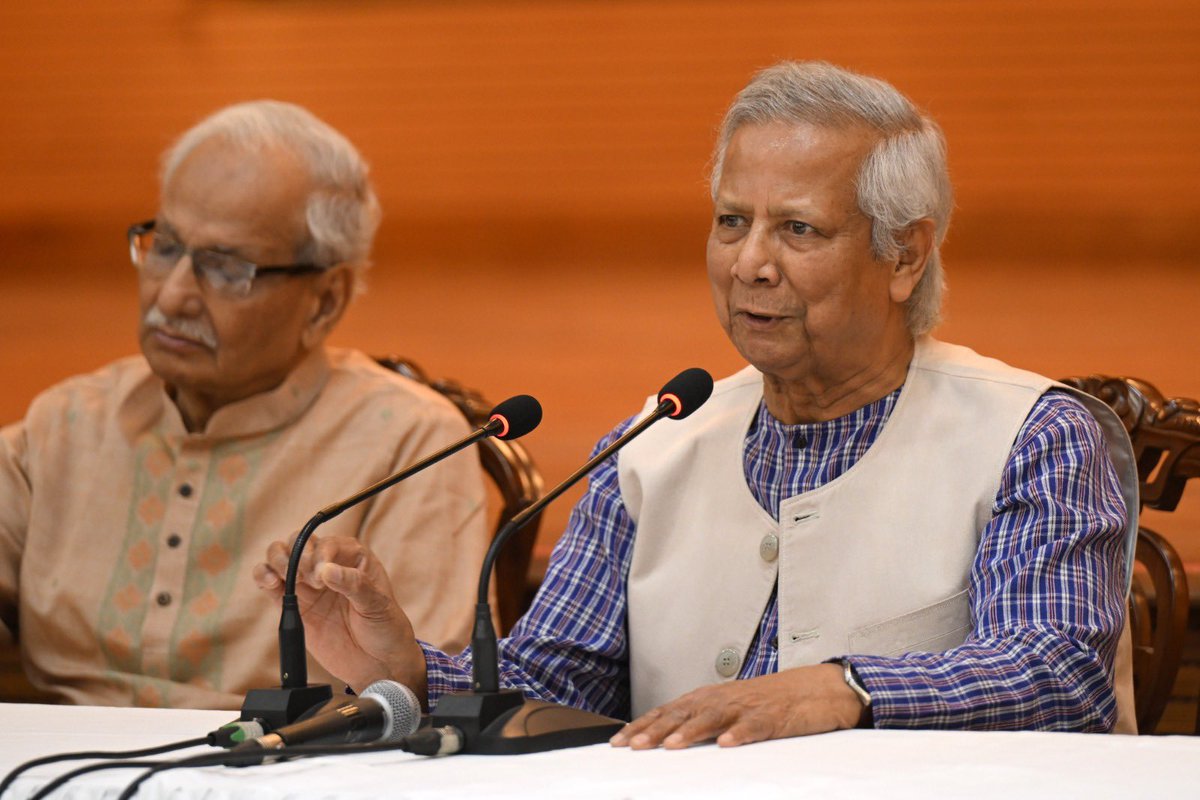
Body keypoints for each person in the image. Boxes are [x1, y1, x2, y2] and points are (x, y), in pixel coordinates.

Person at [255, 62, 1140, 744]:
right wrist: (408, 670)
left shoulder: (1036, 435)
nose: (749, 264)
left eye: (798, 229)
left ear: (904, 256)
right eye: (730, 222)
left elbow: (1057, 675)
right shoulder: (654, 445)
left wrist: (846, 689)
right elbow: (555, 686)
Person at [0, 101, 489, 709]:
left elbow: (429, 698)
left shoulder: (410, 444)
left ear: (325, 301)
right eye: (165, 247)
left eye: (226, 268)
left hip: (282, 757)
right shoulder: (66, 423)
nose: (172, 295)